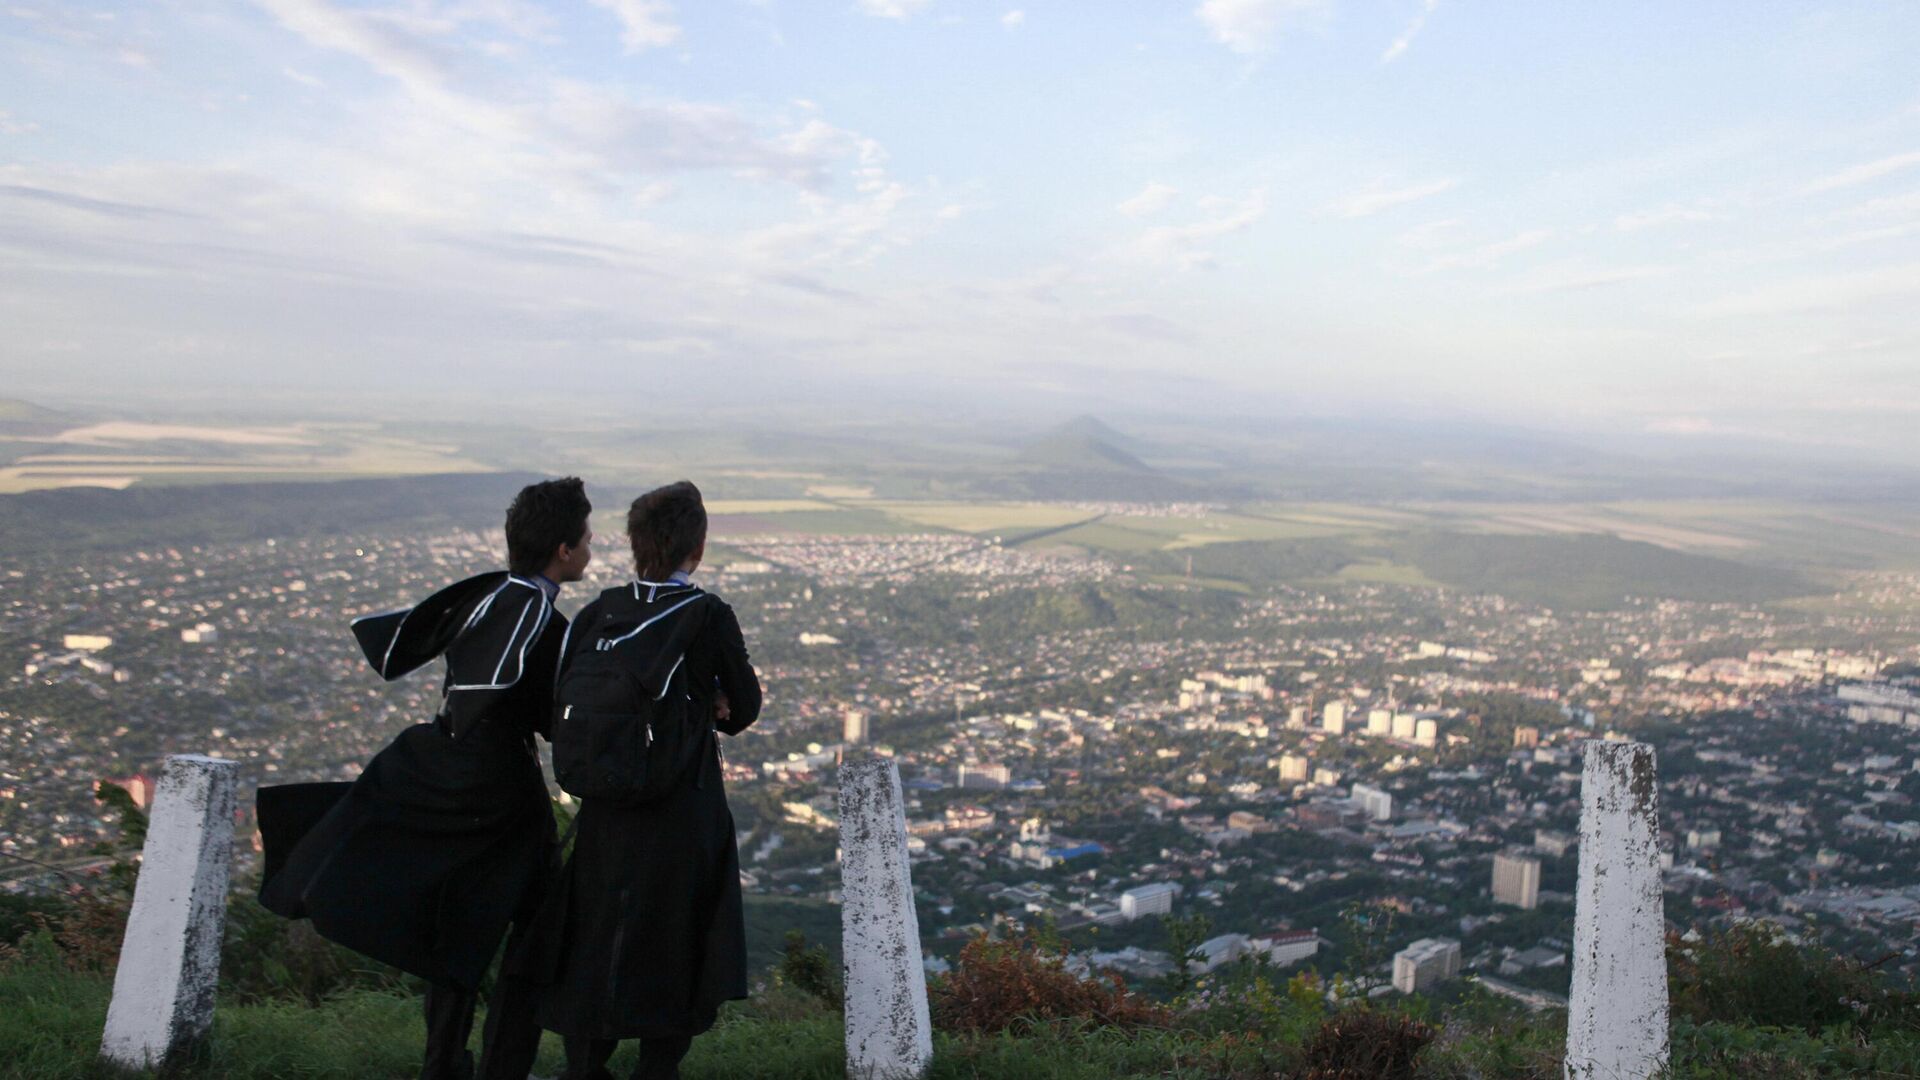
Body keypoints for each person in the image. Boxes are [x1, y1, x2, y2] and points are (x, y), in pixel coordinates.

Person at [257, 477, 594, 1080]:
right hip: (505, 793)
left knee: (455, 932)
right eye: (587, 538)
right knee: (535, 934)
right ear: (564, 551)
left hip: (447, 770)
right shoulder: (544, 623)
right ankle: (504, 1067)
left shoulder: (485, 599)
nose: (592, 548)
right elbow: (552, 723)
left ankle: (442, 1065)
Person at [516, 480, 761, 1080]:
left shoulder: (597, 612)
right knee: (675, 944)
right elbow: (746, 707)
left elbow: (560, 707)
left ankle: (585, 1067)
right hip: (683, 811)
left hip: (605, 811)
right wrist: (714, 703)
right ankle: (657, 1068)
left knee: (596, 938)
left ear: (633, 544)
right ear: (695, 549)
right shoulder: (705, 615)